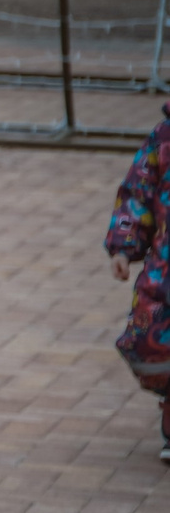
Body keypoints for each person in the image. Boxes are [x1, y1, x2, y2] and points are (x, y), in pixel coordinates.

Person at [107, 100, 170, 461]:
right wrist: (123, 246)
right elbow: (136, 194)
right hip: (163, 275)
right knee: (149, 342)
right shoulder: (162, 140)